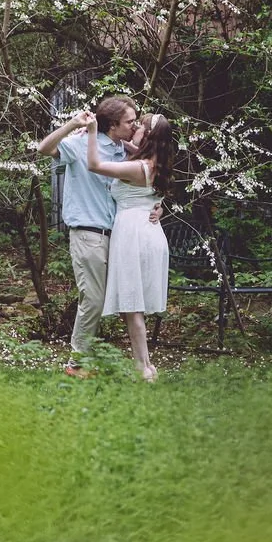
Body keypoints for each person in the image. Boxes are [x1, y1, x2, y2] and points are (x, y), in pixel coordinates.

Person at [37, 96, 159, 377]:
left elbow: (144, 184)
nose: (134, 125)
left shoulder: (125, 150)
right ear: (113, 125)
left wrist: (156, 205)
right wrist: (72, 124)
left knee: (112, 299)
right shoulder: (81, 144)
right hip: (88, 233)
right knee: (93, 298)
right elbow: (44, 148)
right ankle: (76, 363)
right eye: (129, 121)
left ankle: (117, 361)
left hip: (117, 236)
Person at [84, 110, 174, 381]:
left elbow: (94, 165)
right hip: (148, 231)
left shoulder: (138, 168)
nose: (133, 126)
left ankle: (144, 368)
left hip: (134, 233)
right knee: (132, 303)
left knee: (132, 303)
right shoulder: (155, 162)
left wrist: (90, 133)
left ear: (145, 135)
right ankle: (144, 364)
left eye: (139, 125)